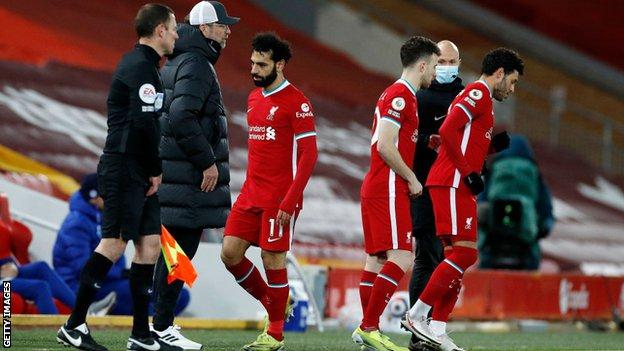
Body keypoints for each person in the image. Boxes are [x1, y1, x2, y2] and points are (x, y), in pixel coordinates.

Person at [56, 4, 179, 351]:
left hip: (138, 168)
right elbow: (142, 126)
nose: (175, 35)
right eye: (172, 29)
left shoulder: (147, 66)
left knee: (150, 246)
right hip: (126, 166)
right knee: (114, 244)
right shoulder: (139, 66)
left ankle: (141, 335)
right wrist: (156, 169)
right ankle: (74, 324)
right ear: (158, 31)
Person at [403, 48, 523, 351]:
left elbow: (448, 137)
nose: (512, 88)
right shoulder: (478, 93)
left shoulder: (480, 98)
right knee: (465, 255)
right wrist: (469, 173)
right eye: (512, 81)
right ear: (499, 73)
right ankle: (418, 316)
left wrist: (491, 149)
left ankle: (439, 329)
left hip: (452, 182)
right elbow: (447, 128)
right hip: (453, 183)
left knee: (457, 256)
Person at [220, 32, 318, 351]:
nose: (254, 70)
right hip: (250, 193)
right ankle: (275, 303)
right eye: (252, 63)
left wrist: (290, 201)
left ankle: (275, 333)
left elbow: (309, 155)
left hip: (279, 198)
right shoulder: (253, 98)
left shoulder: (297, 102)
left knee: (272, 258)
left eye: (261, 65)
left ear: (280, 64)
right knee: (230, 253)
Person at [153, 1, 238, 348]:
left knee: (173, 251)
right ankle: (161, 327)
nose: (228, 30)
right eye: (222, 25)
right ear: (204, 29)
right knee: (179, 251)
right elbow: (181, 117)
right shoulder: (197, 63)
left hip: (175, 172)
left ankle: (156, 326)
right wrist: (207, 162)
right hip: (186, 176)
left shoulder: (179, 59)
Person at [352, 36, 440, 351]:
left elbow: (394, 141)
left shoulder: (401, 95)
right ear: (423, 64)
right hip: (389, 184)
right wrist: (412, 178)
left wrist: (424, 143)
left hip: (378, 184)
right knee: (402, 256)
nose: (436, 71)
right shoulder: (401, 95)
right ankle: (369, 326)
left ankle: (366, 331)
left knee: (376, 261)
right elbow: (385, 145)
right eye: (435, 64)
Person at [53, 174, 190, 316]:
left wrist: (125, 274)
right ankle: (150, 327)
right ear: (94, 197)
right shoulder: (76, 224)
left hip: (111, 281)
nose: (114, 198)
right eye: (108, 194)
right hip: (81, 286)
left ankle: (154, 325)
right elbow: (80, 267)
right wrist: (121, 274)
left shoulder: (105, 217)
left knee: (179, 293)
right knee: (139, 291)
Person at [406, 40, 464, 351]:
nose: (446, 67)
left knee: (450, 260)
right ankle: (420, 332)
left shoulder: (467, 96)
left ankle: (435, 328)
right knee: (427, 258)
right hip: (425, 189)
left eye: (451, 61)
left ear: (460, 63)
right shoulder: (419, 97)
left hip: (456, 190)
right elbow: (407, 142)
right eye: (441, 61)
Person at [478, 134, 554, 270]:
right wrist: (540, 229)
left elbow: (477, 207)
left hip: (493, 244)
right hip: (525, 246)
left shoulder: (492, 172)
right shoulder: (535, 175)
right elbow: (546, 215)